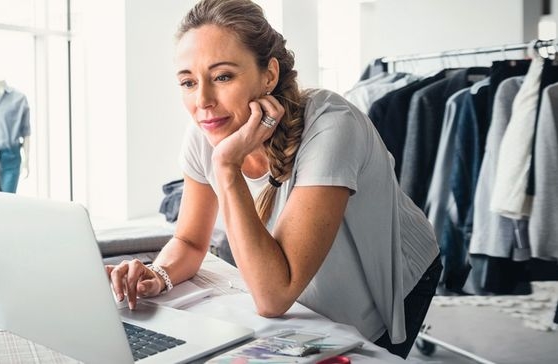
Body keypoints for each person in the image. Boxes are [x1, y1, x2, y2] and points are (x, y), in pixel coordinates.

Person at [105, 0, 441, 359]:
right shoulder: (202, 136)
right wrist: (160, 274)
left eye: (222, 76)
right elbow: (188, 240)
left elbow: (273, 296)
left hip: (393, 272)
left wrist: (226, 167)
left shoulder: (332, 126)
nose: (202, 100)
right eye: (188, 82)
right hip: (306, 276)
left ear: (269, 75)